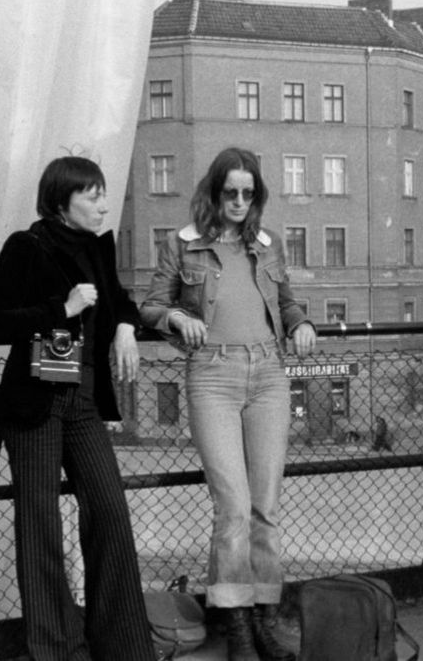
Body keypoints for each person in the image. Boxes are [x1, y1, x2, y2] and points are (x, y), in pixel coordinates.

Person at [141, 147, 314, 661]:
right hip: (211, 376)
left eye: (248, 193)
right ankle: (237, 626)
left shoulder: (267, 244)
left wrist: (302, 322)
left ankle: (267, 619)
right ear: (214, 194)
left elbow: (286, 302)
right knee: (233, 507)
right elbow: (151, 304)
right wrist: (175, 318)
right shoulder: (184, 245)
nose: (240, 201)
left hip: (268, 374)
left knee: (265, 506)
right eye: (230, 192)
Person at [0, 156, 154, 661]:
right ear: (61, 201)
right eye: (92, 195)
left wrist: (125, 324)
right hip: (36, 399)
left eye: (103, 194)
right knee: (41, 528)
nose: (104, 204)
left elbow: (118, 299)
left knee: (110, 513)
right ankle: (57, 650)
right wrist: (64, 309)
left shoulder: (98, 245)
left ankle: (123, 647)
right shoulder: (27, 246)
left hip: (83, 400)